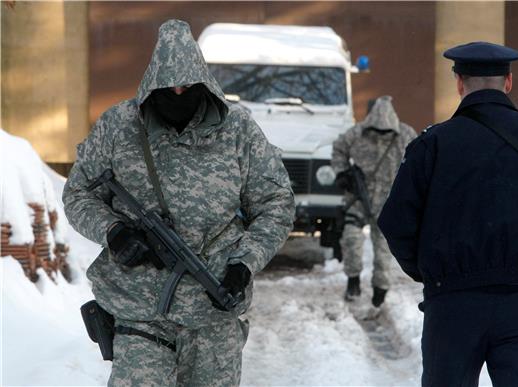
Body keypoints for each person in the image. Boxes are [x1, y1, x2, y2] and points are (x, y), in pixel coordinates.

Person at [63, 19, 295, 386]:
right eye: (167, 88)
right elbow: (78, 194)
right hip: (138, 310)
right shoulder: (118, 127)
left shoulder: (238, 130)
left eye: (188, 87)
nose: (178, 94)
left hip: (213, 314)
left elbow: (276, 204)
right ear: (151, 84)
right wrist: (114, 232)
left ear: (204, 84)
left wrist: (244, 264)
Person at [378, 41, 518, 386]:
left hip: (453, 302)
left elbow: (396, 222)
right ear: (509, 81)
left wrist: (431, 270)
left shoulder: (432, 146)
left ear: (459, 83)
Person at [331, 96, 416, 307]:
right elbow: (339, 148)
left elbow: (418, 162)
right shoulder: (357, 133)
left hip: (388, 204)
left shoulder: (405, 136)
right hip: (358, 200)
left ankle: (381, 289)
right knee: (351, 240)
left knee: (383, 251)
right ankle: (353, 280)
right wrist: (342, 173)